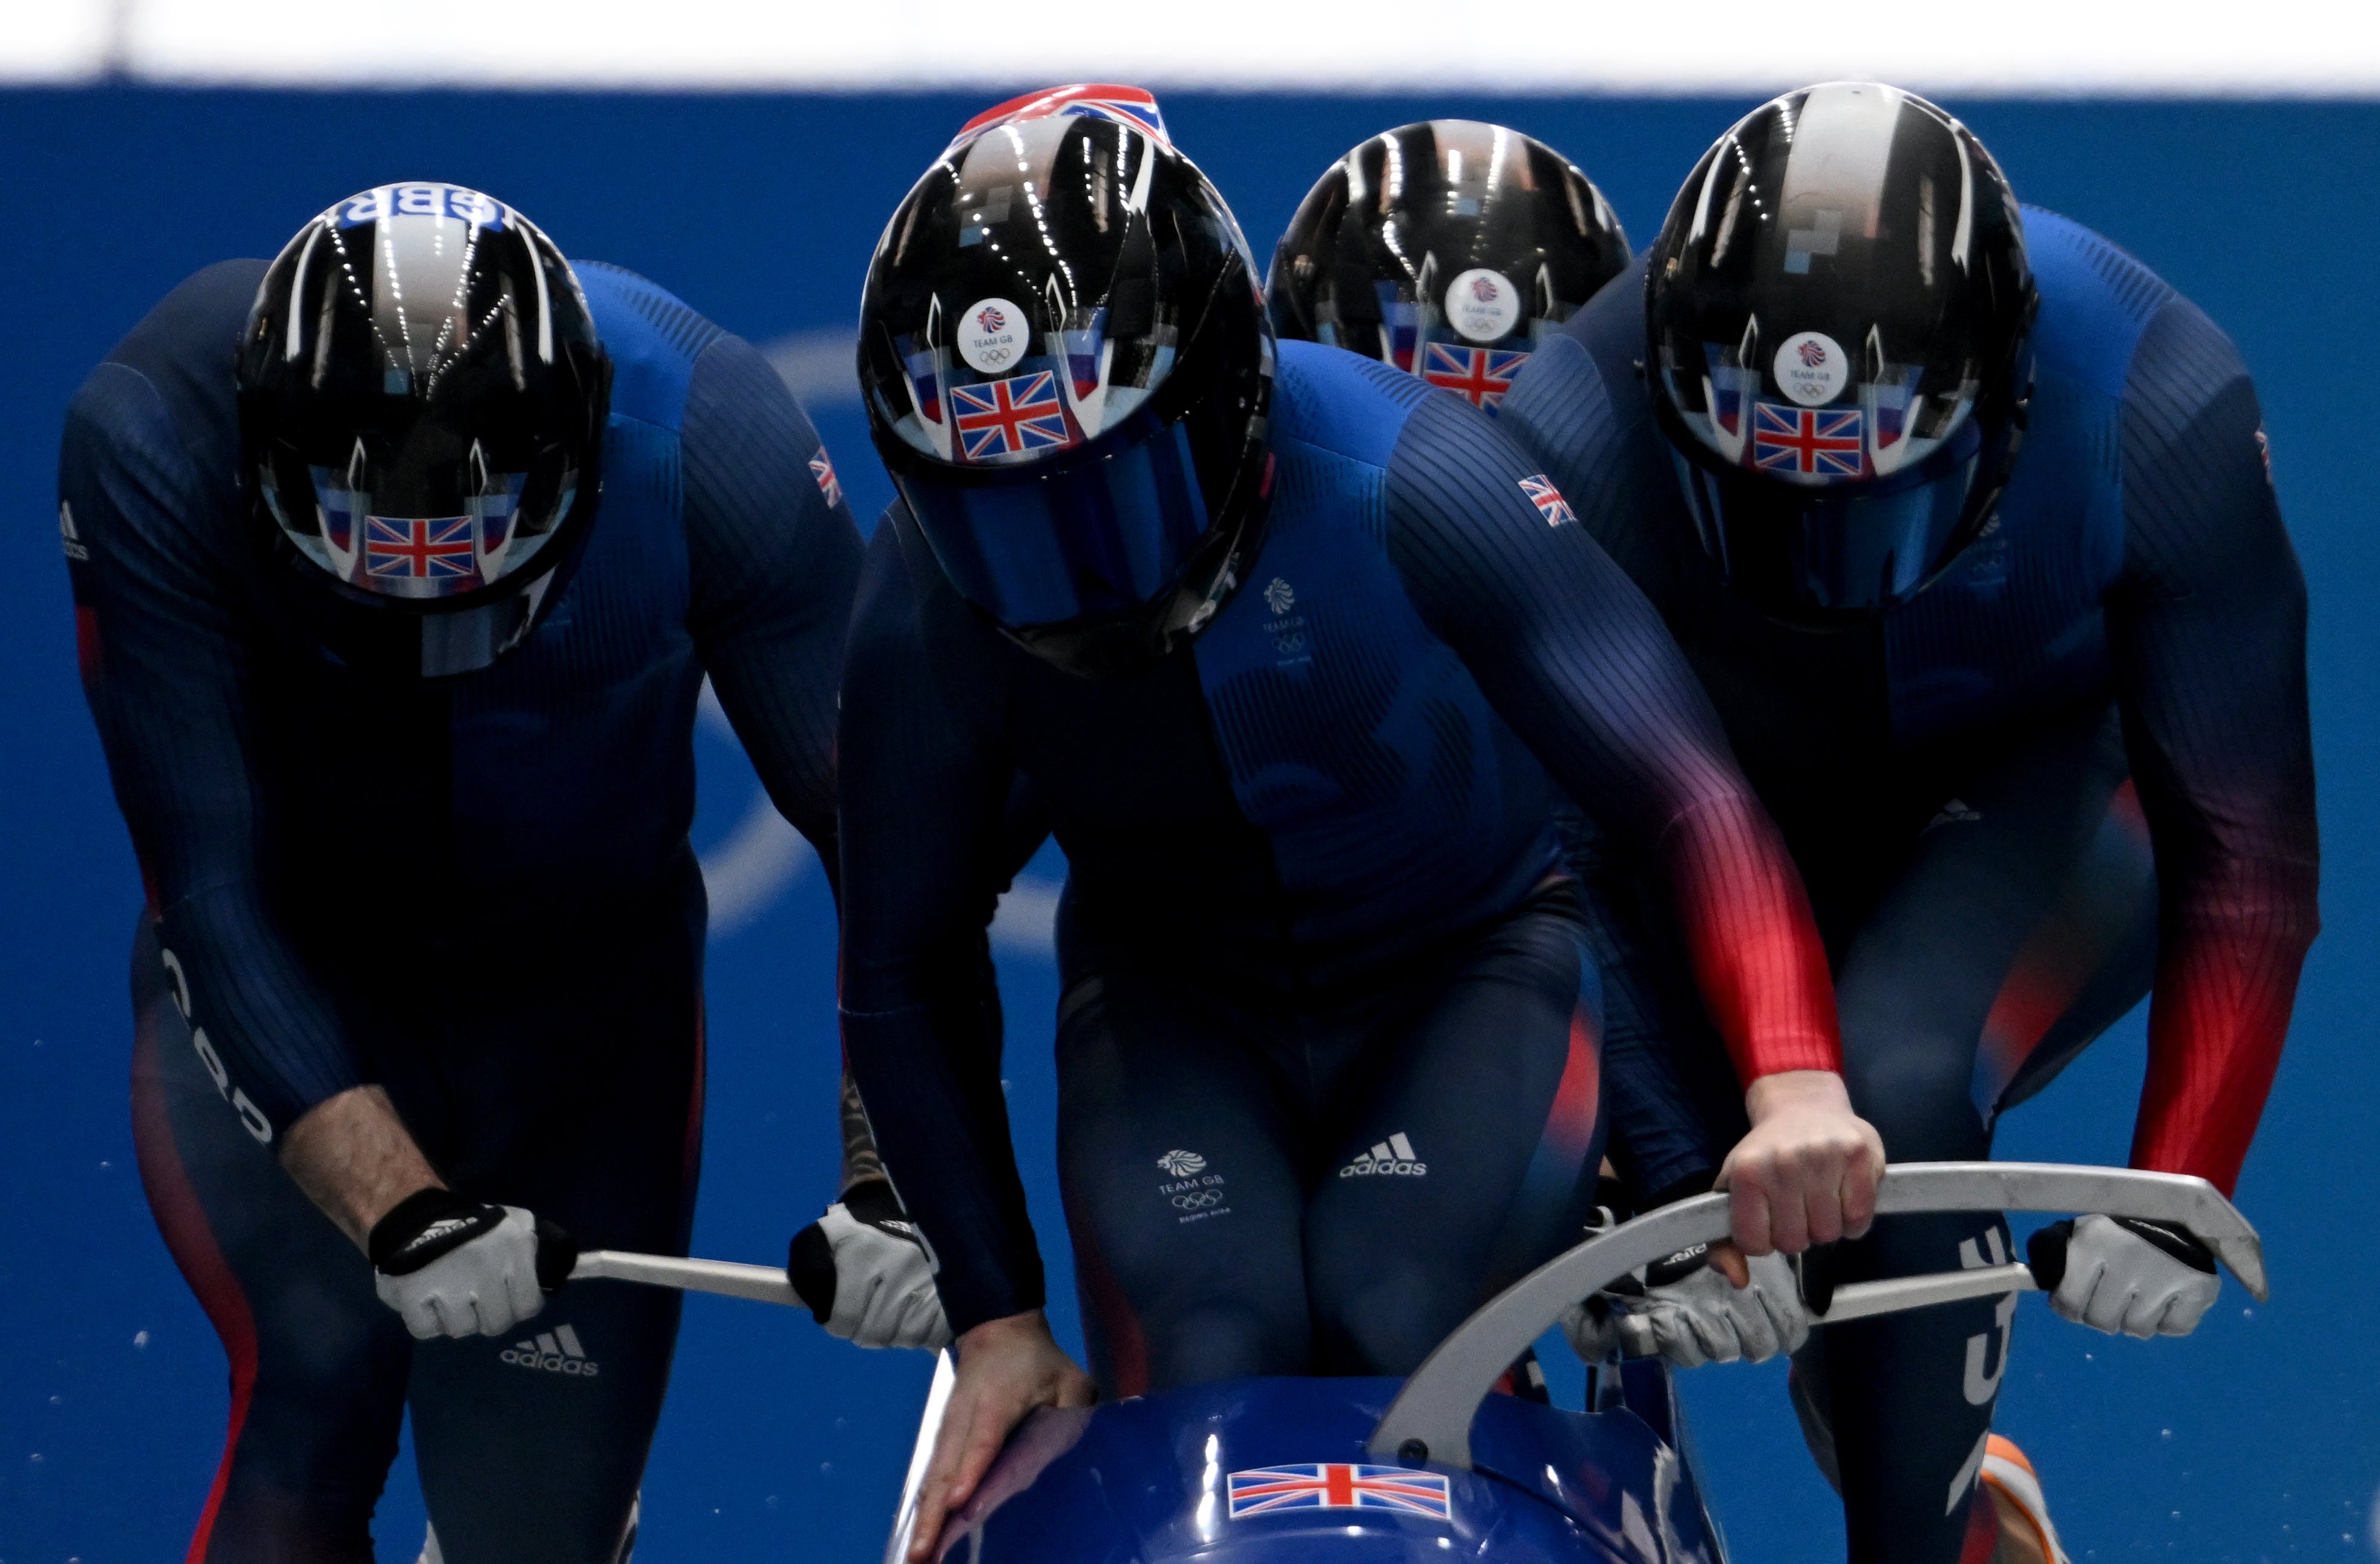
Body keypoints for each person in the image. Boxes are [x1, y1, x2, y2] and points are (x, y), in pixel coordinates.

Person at [833, 103, 1887, 1562]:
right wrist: (993, 1321)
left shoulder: (1415, 477)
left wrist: (1786, 1085)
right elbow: (899, 954)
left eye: (1115, 492)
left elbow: (1682, 791)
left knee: (1406, 1312)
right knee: (1216, 1338)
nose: (1071, 576)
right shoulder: (921, 605)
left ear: (1222, 397)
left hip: (1463, 974)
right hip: (1169, 1001)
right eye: (999, 520)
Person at [1495, 82, 2318, 1564]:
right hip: (1704, 808)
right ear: (1668, 378)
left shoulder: (2155, 397)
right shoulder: (1569, 424)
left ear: (2005, 403)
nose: (1823, 529)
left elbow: (2244, 843)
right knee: (1659, 1141)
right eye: (1762, 461)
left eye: (1876, 469)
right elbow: (1556, 835)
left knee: (1893, 1078)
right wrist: (1679, 1178)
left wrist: (2187, 1181)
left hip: (2037, 784)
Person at [59, 182, 925, 1564]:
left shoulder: (706, 431)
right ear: (271, 474)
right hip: (299, 978)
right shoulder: (156, 432)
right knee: (315, 1388)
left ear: (577, 461)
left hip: (583, 1024)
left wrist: (900, 1174)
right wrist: (396, 1210)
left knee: (538, 1527)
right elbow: (212, 890)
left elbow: (889, 840)